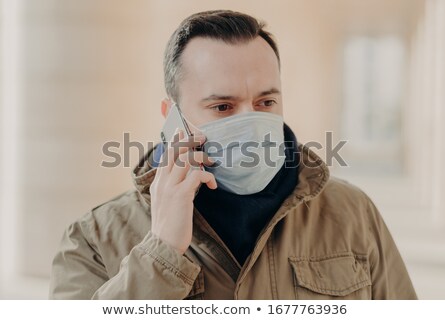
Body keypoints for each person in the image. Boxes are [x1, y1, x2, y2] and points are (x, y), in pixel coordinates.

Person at [49, 10, 417, 299]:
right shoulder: (93, 239)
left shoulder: (352, 213)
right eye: (223, 107)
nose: (251, 122)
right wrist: (160, 253)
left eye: (266, 102)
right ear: (171, 117)